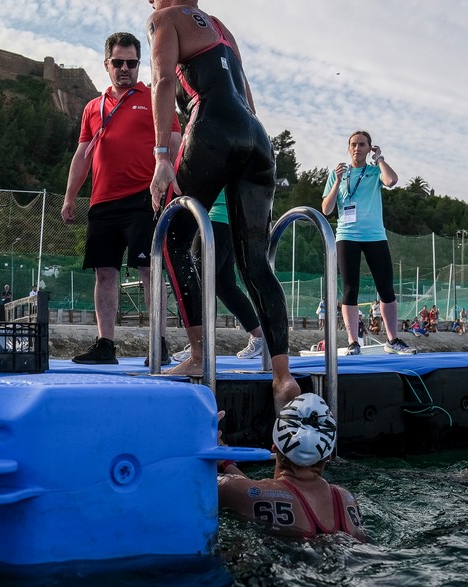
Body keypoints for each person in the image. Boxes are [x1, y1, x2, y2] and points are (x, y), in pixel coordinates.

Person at [146, 0, 301, 411]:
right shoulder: (220, 27)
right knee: (255, 261)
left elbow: (162, 81)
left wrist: (162, 155)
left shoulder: (166, 19)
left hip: (212, 123)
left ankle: (199, 355)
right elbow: (247, 96)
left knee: (171, 238)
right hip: (255, 135)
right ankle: (283, 376)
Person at [62, 32, 180, 366]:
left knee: (148, 270)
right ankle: (105, 345)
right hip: (102, 202)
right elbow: (82, 154)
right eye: (118, 62)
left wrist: (167, 179)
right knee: (104, 273)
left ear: (139, 64)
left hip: (145, 198)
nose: (125, 68)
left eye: (131, 62)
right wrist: (71, 197)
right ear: (107, 64)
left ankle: (159, 343)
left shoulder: (155, 97)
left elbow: (175, 138)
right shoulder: (93, 107)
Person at [218, 393, 366, 540]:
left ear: (275, 447)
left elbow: (254, 492)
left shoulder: (240, 492)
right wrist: (226, 463)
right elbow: (273, 494)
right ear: (329, 456)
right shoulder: (346, 499)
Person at [320, 131, 415, 357]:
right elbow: (326, 209)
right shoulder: (338, 173)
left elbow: (391, 181)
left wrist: (380, 159)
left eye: (362, 144)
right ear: (348, 147)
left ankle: (392, 339)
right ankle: (353, 342)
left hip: (374, 236)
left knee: (386, 288)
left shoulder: (374, 172)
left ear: (369, 148)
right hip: (347, 236)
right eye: (353, 144)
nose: (357, 148)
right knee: (350, 289)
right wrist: (337, 181)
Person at [172, 190, 265, 363]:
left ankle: (201, 345)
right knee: (224, 286)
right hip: (228, 221)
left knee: (199, 282)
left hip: (215, 220)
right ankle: (259, 336)